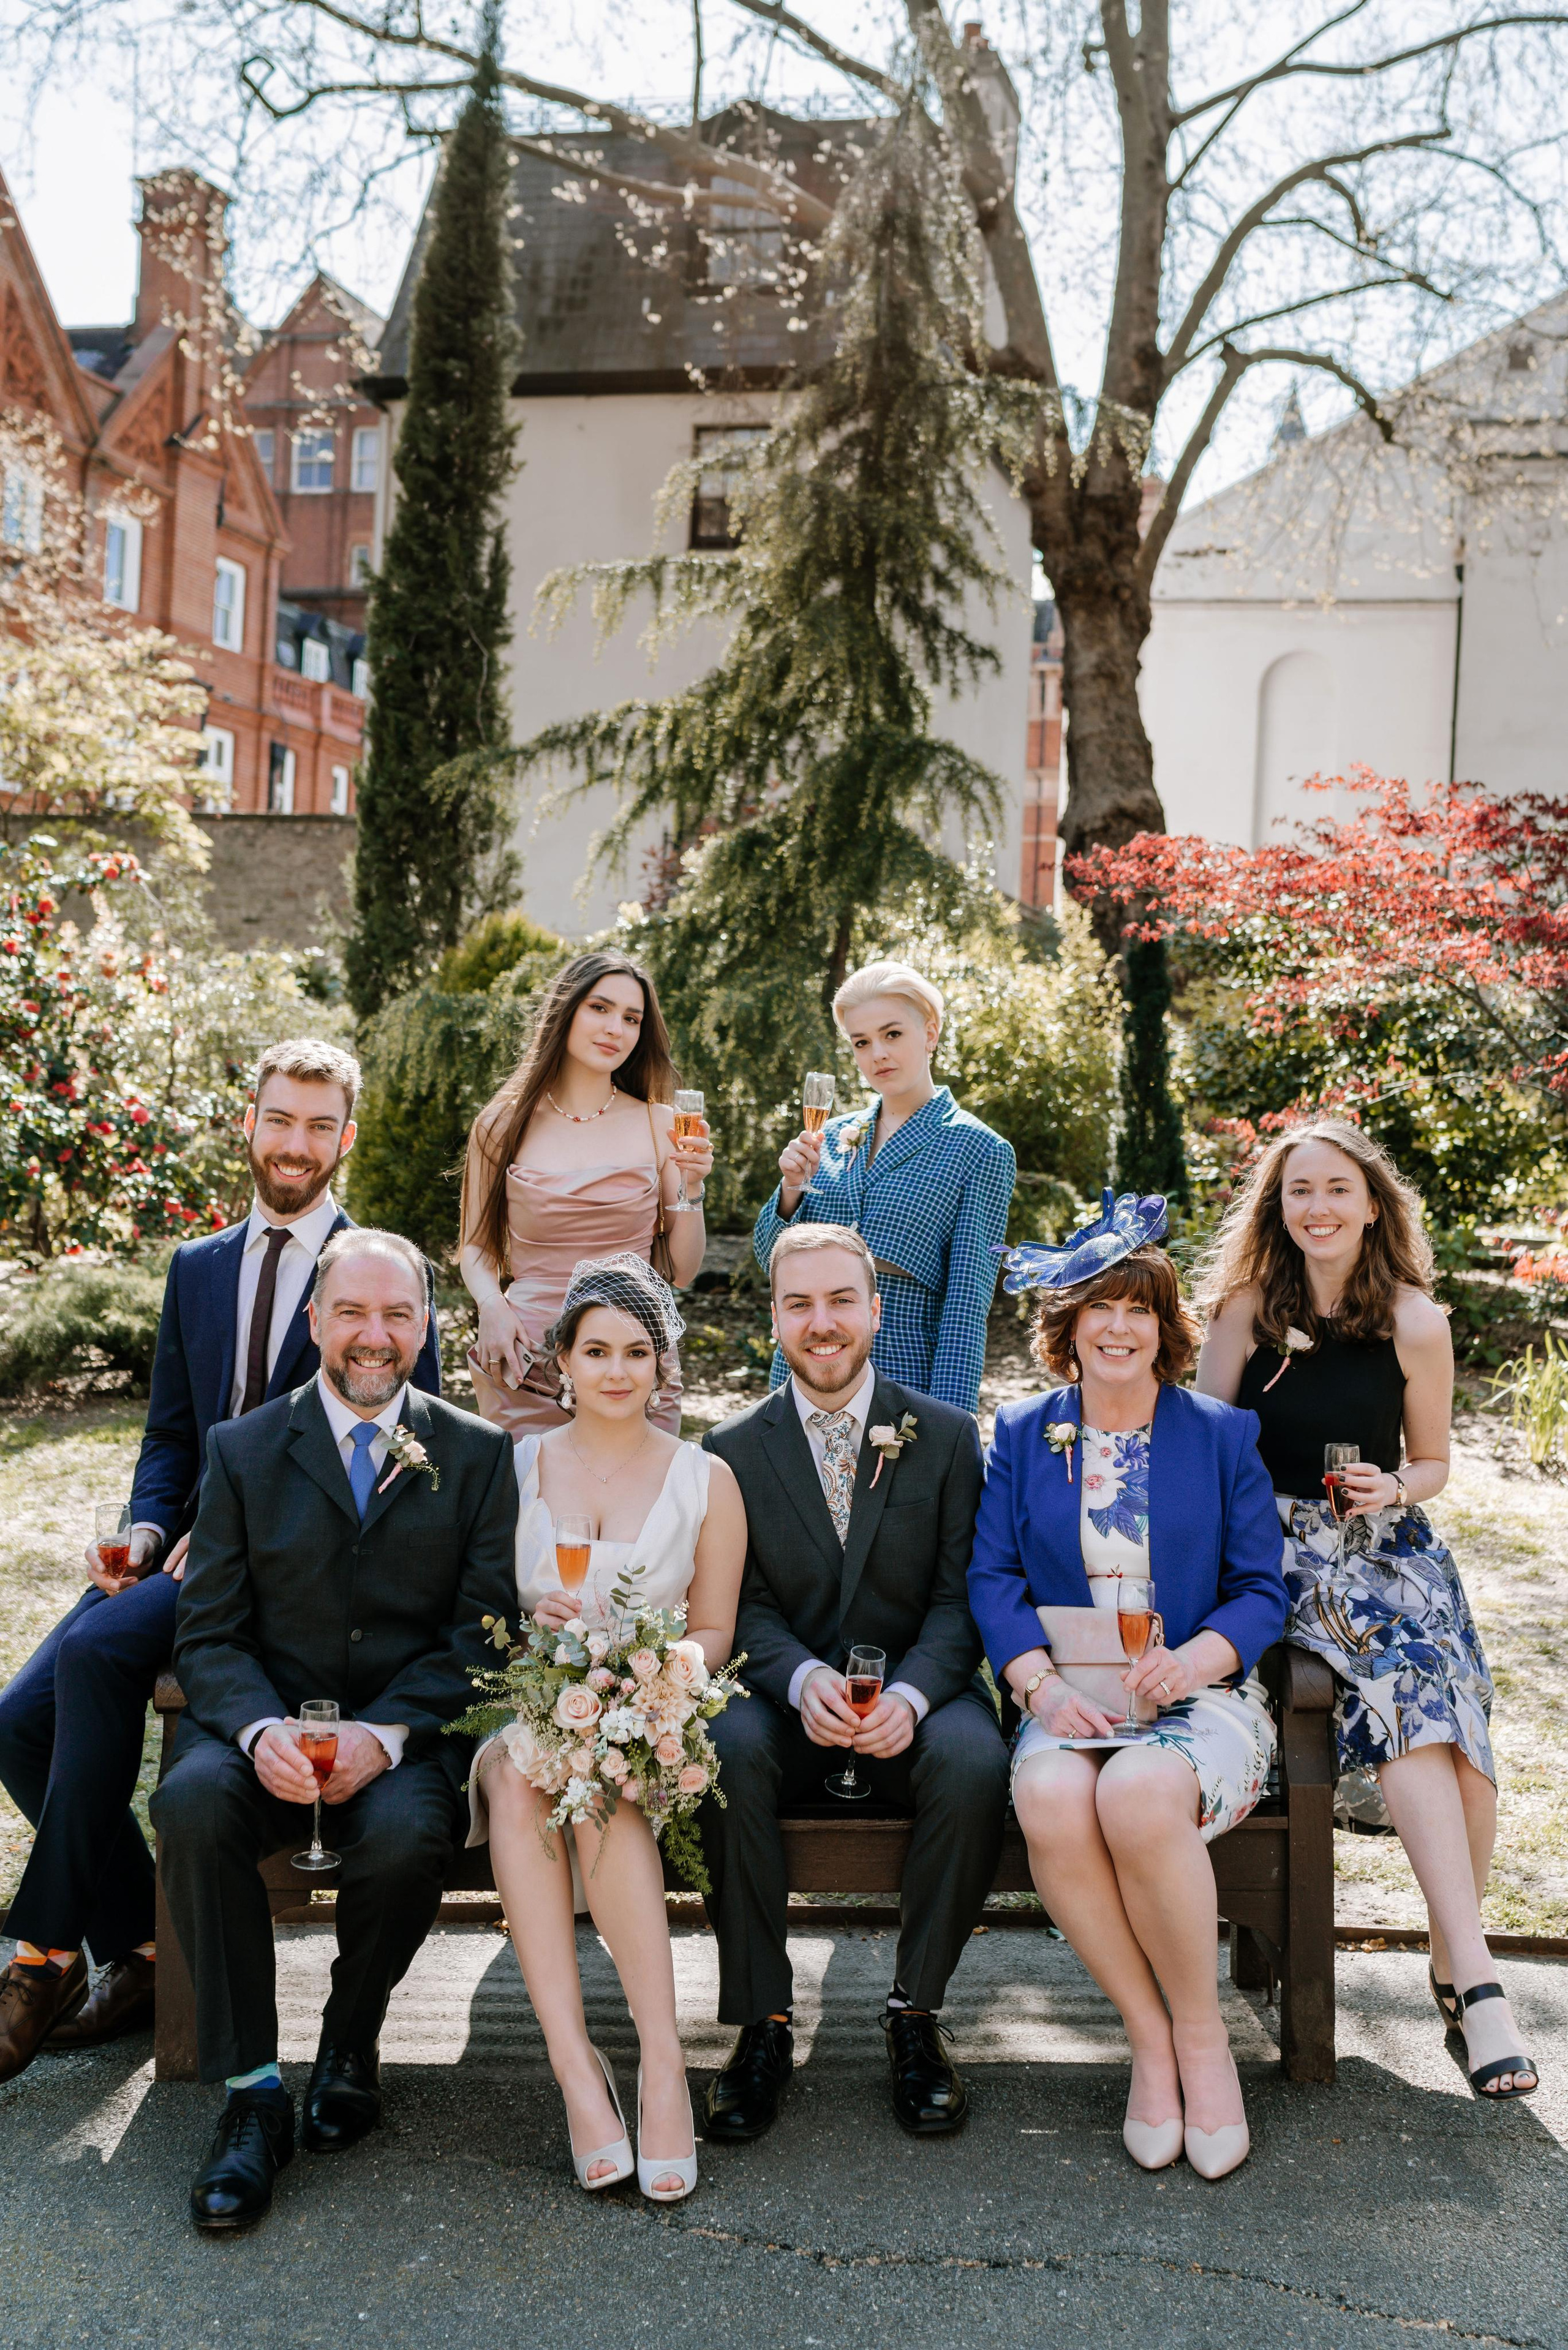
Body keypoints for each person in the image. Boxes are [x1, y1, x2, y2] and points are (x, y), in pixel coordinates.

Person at [0, 1039, 440, 2086]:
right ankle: (144, 1945)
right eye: (280, 1119)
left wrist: (239, 1526)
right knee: (15, 1723)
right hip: (179, 1559)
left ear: (345, 1138)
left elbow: (395, 1444)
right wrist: (151, 1531)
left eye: (320, 1125)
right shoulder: (196, 1267)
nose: (296, 1144)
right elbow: (168, 1438)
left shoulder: (374, 1279)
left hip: (284, 1568)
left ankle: (40, 1954)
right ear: (249, 1122)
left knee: (97, 1656)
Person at [149, 1229, 518, 2231]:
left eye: (397, 1313)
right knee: (189, 1804)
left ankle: (351, 2044)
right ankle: (252, 2093)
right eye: (352, 1311)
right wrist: (258, 1728)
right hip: (263, 1731)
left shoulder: (479, 1455)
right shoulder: (241, 1451)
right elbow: (208, 1631)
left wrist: (386, 1735)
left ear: (425, 1325)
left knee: (406, 1836)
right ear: (315, 1322)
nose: (374, 1334)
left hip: (402, 1738)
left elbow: (483, 1636)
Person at [1197, 1120, 1537, 2101]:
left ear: (1374, 1205)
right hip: (1279, 1551)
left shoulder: (1415, 1321)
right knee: (1419, 1708)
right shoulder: (1246, 1311)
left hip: (1390, 1549)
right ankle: (1476, 1986)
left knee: (1462, 1740)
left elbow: (1433, 1462)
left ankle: (1454, 1959)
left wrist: (1396, 1485)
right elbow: (1203, 1444)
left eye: (1338, 1188)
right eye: (1299, 1190)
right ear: (1278, 1207)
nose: (1319, 1207)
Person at [968, 1192, 1287, 2181]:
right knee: (1052, 1795)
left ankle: (1204, 2040)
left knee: (1141, 1791)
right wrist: (1037, 1687)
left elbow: (1261, 1592)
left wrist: (1194, 1661)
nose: (1118, 1326)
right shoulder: (1023, 1432)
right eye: (1098, 1307)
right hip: (1070, 1695)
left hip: (1202, 1697)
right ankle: (1149, 2036)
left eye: (1138, 1308)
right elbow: (994, 1577)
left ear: (1164, 1326)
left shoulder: (1223, 1435)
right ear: (1067, 1326)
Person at [699, 1224, 1009, 2142]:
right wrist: (800, 1680)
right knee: (723, 1748)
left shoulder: (945, 1436)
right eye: (799, 1304)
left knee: (974, 1760)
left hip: (920, 1694)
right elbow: (742, 1603)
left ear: (876, 1311)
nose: (821, 1322)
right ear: (774, 1319)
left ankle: (915, 2015)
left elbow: (960, 1599)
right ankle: (762, 2020)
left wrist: (911, 1696)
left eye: (841, 1300)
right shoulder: (730, 1449)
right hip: (787, 1705)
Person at [466, 1254, 746, 2202]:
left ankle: (662, 2065)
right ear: (564, 1361)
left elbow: (715, 1628)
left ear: (664, 1363)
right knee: (519, 1772)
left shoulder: (706, 1478)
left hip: (652, 1710)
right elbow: (480, 1611)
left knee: (597, 1777)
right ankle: (576, 2068)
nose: (617, 1370)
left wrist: (658, 1676)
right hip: (531, 1699)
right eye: (596, 1351)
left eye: (636, 1351)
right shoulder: (515, 1468)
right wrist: (533, 1630)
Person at [459, 952, 714, 1437]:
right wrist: (491, 1305)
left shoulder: (660, 1125)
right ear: (566, 1010)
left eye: (632, 1018)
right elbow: (475, 1246)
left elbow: (683, 1271)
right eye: (600, 1008)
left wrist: (694, 1186)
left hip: (633, 1363)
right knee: (529, 1487)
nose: (616, 1028)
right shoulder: (500, 1125)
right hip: (526, 1360)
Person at [752, 961, 1014, 1415]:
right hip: (807, 1367)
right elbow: (768, 1259)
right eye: (862, 1042)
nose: (878, 1054)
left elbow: (967, 1304)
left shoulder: (980, 1149)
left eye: (892, 1034)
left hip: (903, 1371)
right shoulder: (830, 1135)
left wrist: (949, 1425)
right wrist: (791, 1189)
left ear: (930, 1034)